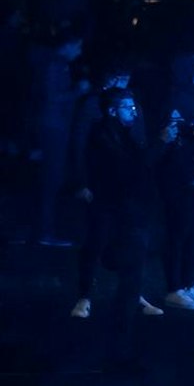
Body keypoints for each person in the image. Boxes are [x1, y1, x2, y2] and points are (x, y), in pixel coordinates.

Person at [76, 84, 163, 349]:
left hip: (127, 204)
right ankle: (85, 297)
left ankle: (132, 297)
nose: (134, 112)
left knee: (130, 250)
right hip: (107, 202)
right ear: (113, 111)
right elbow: (129, 166)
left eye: (134, 107)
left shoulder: (125, 132)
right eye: (127, 107)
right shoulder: (102, 134)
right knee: (97, 244)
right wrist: (161, 144)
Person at [157, 53, 194, 311]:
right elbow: (177, 145)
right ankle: (174, 288)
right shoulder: (176, 102)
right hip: (182, 183)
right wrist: (190, 177)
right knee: (178, 233)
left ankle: (188, 282)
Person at [25, 30, 86, 247]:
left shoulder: (54, 64)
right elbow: (53, 97)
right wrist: (78, 90)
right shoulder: (56, 65)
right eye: (77, 46)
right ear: (68, 44)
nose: (79, 51)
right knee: (51, 180)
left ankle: (41, 228)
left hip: (53, 127)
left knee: (49, 180)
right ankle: (45, 231)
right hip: (54, 128)